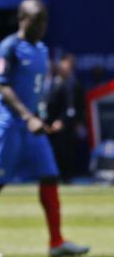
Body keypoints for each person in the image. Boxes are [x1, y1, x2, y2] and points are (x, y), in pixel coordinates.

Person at [0, 0, 90, 257]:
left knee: (49, 176)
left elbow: (35, 89)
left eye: (45, 20)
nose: (42, 26)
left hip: (31, 124)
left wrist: (38, 116)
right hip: (6, 123)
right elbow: (2, 86)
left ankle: (56, 242)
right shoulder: (9, 47)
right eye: (37, 20)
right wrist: (28, 116)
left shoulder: (43, 50)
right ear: (22, 19)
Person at [46, 53, 87, 182]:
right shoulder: (53, 81)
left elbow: (74, 107)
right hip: (50, 125)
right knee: (53, 153)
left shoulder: (73, 84)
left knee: (66, 152)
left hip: (67, 126)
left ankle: (66, 178)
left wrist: (64, 121)